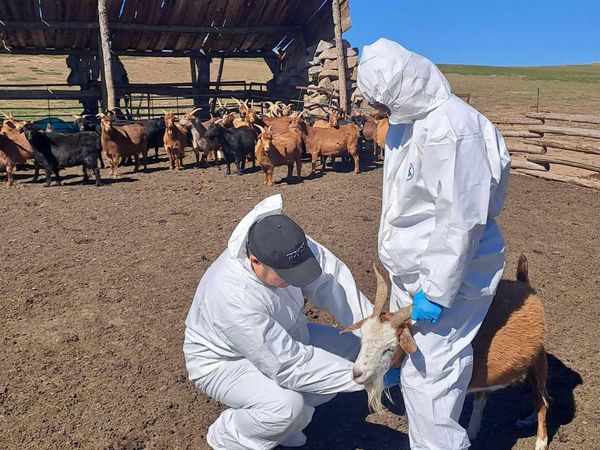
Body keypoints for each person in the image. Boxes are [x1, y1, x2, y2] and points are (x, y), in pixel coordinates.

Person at [357, 38, 511, 450]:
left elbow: (460, 220)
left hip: (451, 277)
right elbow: (407, 201)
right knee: (417, 367)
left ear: (403, 88)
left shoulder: (455, 131)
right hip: (415, 272)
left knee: (431, 377)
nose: (380, 114)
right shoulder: (409, 124)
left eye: (383, 103)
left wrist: (437, 290)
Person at [183, 194, 375, 449]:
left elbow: (333, 284)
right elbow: (289, 364)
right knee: (286, 407)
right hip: (223, 361)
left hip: (285, 334)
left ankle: (285, 426)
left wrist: (374, 332)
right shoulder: (232, 295)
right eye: (285, 275)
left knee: (357, 349)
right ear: (255, 261)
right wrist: (370, 377)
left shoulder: (291, 246)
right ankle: (230, 435)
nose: (295, 280)